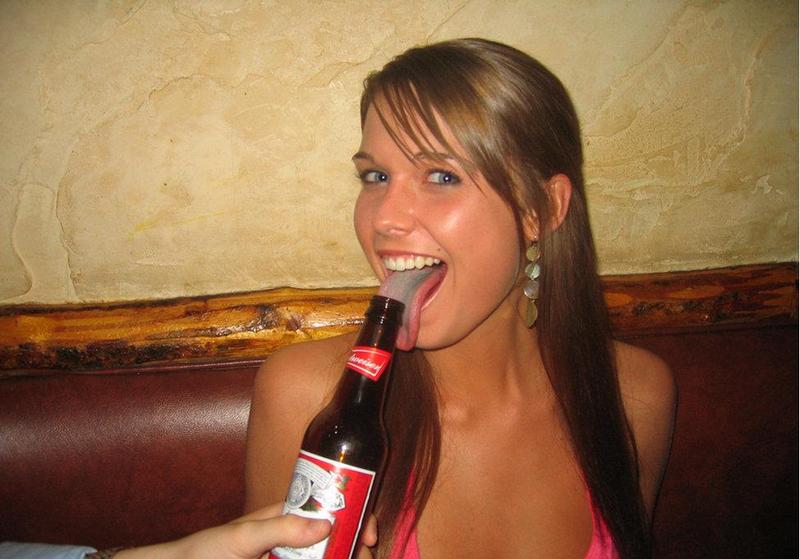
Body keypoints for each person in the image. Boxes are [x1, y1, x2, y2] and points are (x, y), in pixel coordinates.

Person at [244, 38, 677, 559]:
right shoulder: (307, 398)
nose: (385, 219)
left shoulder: (636, 395)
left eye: (442, 176)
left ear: (541, 209)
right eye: (376, 177)